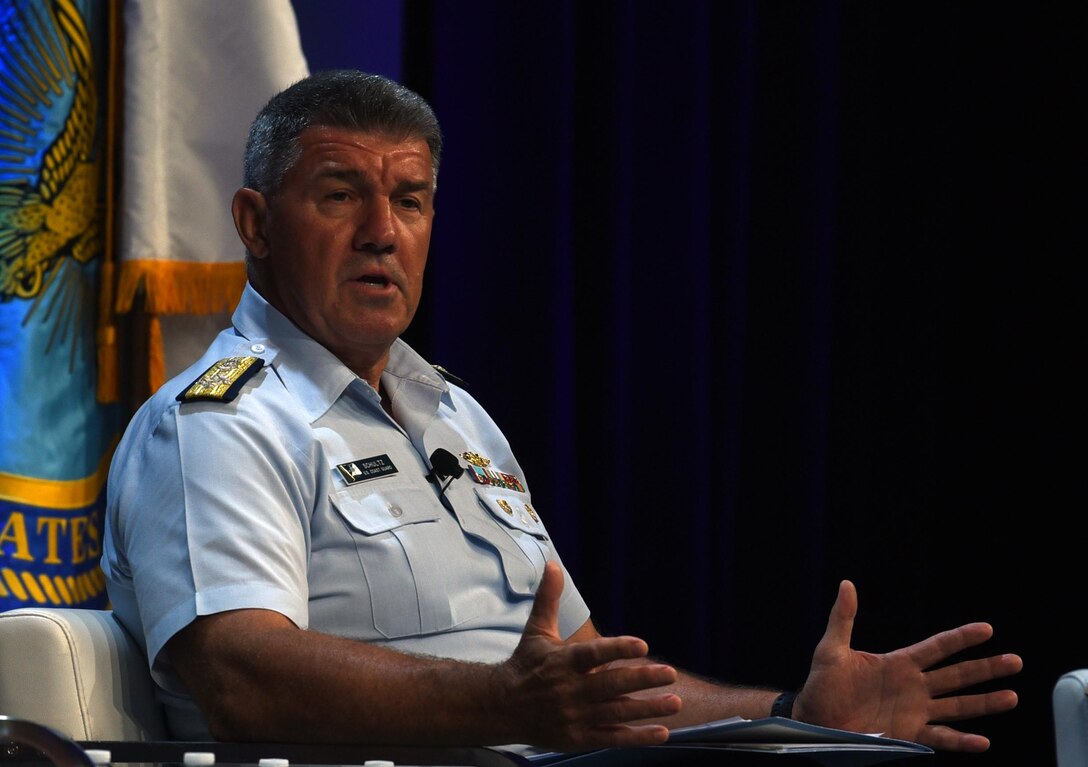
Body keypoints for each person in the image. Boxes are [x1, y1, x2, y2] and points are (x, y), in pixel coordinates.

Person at [102, 69, 1022, 755]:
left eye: (411, 199)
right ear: (256, 224)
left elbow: (588, 686)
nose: (383, 229)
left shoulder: (457, 417)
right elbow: (243, 681)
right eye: (341, 194)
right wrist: (506, 705)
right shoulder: (218, 424)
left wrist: (787, 713)